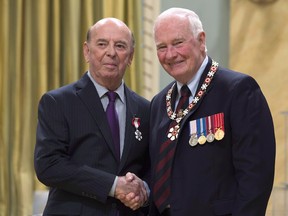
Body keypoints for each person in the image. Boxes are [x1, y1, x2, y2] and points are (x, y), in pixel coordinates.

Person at [149, 7, 275, 216]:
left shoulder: (238, 91)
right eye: (162, 47)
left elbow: (255, 178)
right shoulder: (159, 103)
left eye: (178, 43)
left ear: (201, 40)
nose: (170, 54)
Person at [34, 17, 150, 216]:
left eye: (120, 46)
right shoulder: (58, 102)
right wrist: (114, 185)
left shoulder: (145, 109)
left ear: (130, 57)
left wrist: (144, 190)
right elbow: (49, 165)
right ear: (87, 51)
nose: (111, 52)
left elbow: (151, 167)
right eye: (102, 44)